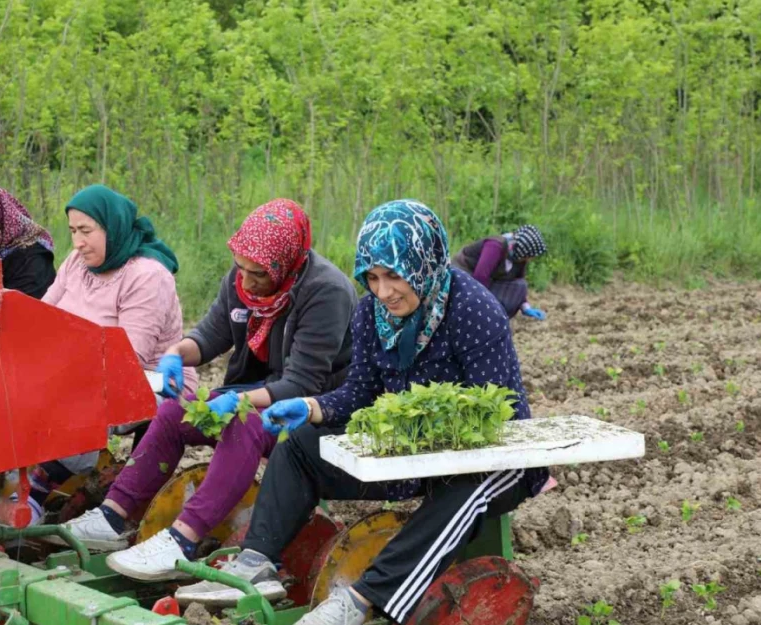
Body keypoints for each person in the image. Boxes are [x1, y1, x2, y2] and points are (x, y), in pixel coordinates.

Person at [175, 200, 549, 625]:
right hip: (408, 450)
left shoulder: (474, 311)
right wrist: (311, 407)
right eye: (372, 277)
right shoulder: (371, 314)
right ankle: (255, 562)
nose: (383, 291)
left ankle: (361, 600)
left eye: (394, 276)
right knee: (299, 447)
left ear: (423, 264)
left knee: (468, 484)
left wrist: (422, 429)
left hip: (496, 457)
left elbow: (497, 412)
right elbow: (359, 394)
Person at [64, 199, 358, 581]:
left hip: (314, 408)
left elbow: (301, 383)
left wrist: (238, 400)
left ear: (286, 266)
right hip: (258, 390)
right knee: (173, 413)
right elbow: (209, 336)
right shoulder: (242, 280)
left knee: (243, 424)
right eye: (241, 269)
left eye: (259, 275)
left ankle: (181, 540)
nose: (247, 282)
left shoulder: (325, 291)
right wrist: (176, 354)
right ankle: (112, 516)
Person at [26, 184, 199, 515]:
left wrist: (61, 366)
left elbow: (127, 359)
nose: (77, 242)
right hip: (84, 369)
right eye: (73, 231)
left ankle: (37, 491)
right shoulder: (77, 263)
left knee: (79, 396)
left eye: (86, 231)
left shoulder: (147, 276)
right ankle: (7, 476)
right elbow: (43, 317)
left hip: (153, 380)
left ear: (112, 226)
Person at [450, 224, 547, 320]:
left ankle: (496, 316)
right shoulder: (495, 246)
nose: (529, 259)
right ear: (524, 250)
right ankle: (476, 314)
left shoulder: (518, 257)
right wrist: (482, 306)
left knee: (520, 285)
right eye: (529, 256)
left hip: (486, 282)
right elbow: (480, 277)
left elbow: (518, 283)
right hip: (465, 275)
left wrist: (525, 307)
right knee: (478, 303)